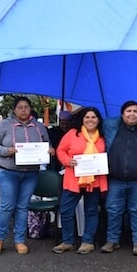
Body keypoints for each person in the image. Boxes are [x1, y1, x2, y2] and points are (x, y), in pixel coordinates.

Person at [0, 96, 54, 255]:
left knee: (23, 207)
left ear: (30, 109)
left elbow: (48, 144)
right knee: (7, 206)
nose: (24, 110)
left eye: (26, 107)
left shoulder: (39, 127)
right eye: (20, 107)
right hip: (8, 172)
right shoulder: (4, 125)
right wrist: (6, 151)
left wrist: (50, 151)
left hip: (31, 173)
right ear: (14, 109)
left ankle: (19, 240)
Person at [101, 100, 137, 256]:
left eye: (135, 111)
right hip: (115, 178)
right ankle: (112, 240)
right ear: (122, 114)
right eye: (128, 111)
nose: (132, 114)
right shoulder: (109, 125)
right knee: (113, 210)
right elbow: (90, 124)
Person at [52, 107, 108, 255]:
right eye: (87, 117)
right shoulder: (72, 134)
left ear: (98, 120)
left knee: (91, 211)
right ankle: (68, 241)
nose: (90, 120)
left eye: (93, 117)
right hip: (73, 179)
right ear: (82, 120)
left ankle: (88, 242)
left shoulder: (103, 136)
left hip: (94, 180)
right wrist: (67, 161)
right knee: (66, 210)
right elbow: (60, 150)